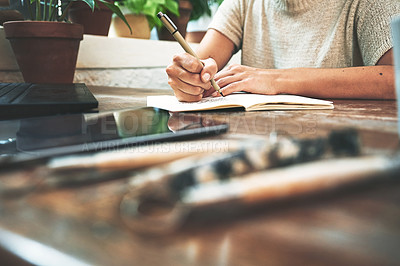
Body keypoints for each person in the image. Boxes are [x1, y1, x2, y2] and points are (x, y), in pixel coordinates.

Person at [166, 0, 400, 102]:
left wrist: (276, 79)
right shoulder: (242, 2)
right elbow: (202, 64)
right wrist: (189, 79)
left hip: (345, 150)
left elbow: (394, 78)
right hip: (255, 142)